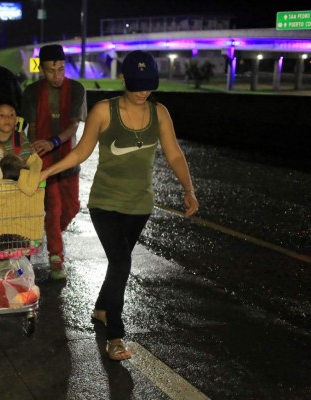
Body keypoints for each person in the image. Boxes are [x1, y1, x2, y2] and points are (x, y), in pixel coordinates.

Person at [38, 50, 199, 361]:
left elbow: (175, 154)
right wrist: (45, 173)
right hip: (106, 203)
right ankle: (115, 335)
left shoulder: (160, 113)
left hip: (140, 204)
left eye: (148, 85)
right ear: (123, 78)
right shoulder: (104, 111)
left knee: (117, 262)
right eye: (137, 84)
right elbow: (81, 152)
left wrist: (188, 189)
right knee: (122, 263)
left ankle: (101, 308)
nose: (143, 92)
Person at [21, 44, 87, 280]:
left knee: (71, 207)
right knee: (54, 206)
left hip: (68, 155)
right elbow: (33, 128)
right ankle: (56, 258)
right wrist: (35, 154)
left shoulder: (77, 89)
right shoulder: (31, 92)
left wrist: (54, 141)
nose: (57, 76)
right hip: (45, 159)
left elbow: (73, 126)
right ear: (42, 70)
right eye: (51, 71)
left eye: (60, 69)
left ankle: (52, 233)